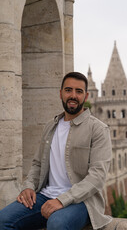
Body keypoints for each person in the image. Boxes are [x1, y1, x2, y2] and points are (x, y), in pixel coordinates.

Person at [0, 72, 112, 230]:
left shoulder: (98, 129)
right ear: (61, 93)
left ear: (85, 96)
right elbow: (37, 164)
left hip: (81, 201)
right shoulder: (50, 126)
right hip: (45, 196)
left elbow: (97, 176)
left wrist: (62, 200)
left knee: (57, 223)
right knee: (3, 219)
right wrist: (28, 187)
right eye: (68, 90)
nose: (73, 95)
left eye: (78, 91)